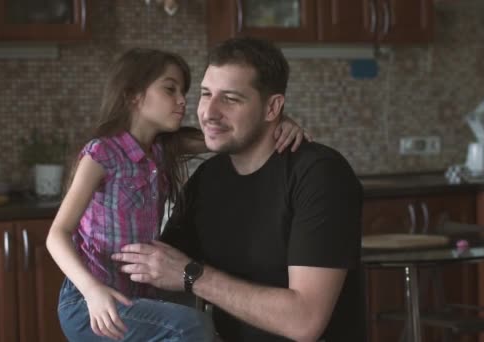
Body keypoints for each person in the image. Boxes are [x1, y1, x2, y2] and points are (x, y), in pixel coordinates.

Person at [46, 47, 309, 342]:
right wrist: (92, 292)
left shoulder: (162, 150)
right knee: (191, 326)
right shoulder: (101, 153)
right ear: (133, 95)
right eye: (170, 89)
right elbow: (57, 233)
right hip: (91, 304)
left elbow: (232, 134)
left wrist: (277, 123)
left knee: (200, 312)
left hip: (137, 300)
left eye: (183, 91)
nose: (183, 100)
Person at [113, 38, 365, 342]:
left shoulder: (319, 175)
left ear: (273, 107)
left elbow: (305, 321)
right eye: (206, 94)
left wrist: (192, 275)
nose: (209, 112)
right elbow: (159, 268)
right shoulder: (207, 180)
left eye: (230, 99)